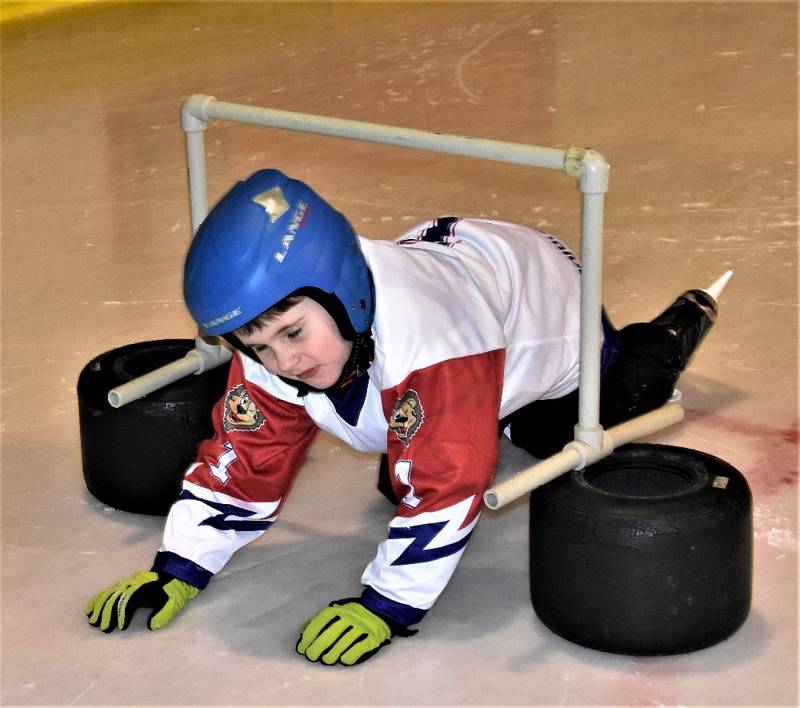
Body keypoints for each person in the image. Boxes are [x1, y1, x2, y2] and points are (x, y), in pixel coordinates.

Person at [86, 168, 720, 666]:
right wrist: (178, 566)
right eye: (258, 346)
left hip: (550, 308)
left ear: (341, 289)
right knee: (409, 465)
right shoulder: (279, 332)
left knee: (564, 429)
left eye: (293, 333)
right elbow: (247, 460)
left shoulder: (435, 343)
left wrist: (386, 605)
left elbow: (447, 488)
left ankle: (668, 332)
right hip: (462, 277)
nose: (283, 360)